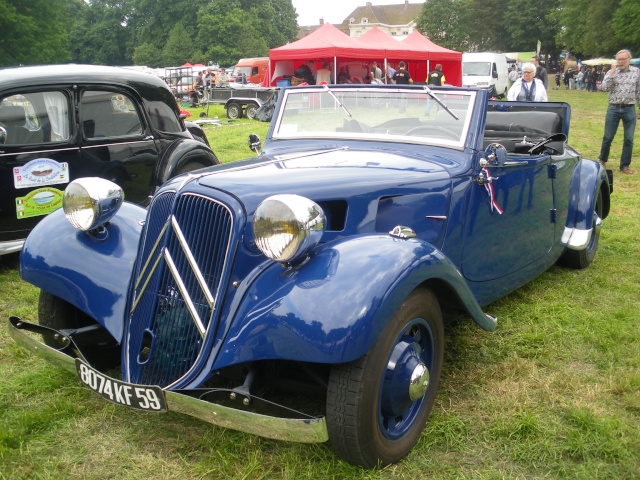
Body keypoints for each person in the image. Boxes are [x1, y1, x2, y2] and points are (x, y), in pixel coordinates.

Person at [598, 49, 640, 175]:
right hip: (614, 108)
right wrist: (611, 73)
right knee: (608, 137)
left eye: (623, 59)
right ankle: (602, 160)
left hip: (629, 108)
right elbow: (604, 88)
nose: (620, 62)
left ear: (629, 60)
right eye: (618, 59)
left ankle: (625, 165)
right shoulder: (611, 72)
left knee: (629, 139)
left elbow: (639, 91)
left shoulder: (636, 72)